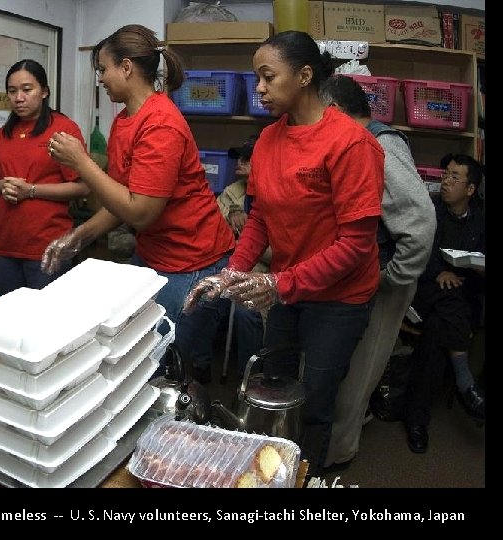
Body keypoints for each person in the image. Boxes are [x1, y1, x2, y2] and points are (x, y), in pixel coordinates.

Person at [184, 30, 384, 477]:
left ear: (305, 76)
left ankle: (305, 479)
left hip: (340, 297)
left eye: (268, 77)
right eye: (257, 78)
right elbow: (259, 220)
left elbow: (355, 245)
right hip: (290, 288)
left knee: (313, 397)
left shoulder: (351, 144)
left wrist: (277, 282)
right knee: (273, 383)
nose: (259, 88)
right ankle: (270, 474)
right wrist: (230, 273)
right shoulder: (270, 141)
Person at [41, 24, 236, 383]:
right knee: (140, 353)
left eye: (103, 69)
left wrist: (82, 162)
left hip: (193, 260)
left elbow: (142, 213)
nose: (100, 78)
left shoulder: (161, 124)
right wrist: (79, 236)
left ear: (126, 67)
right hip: (155, 255)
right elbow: (123, 197)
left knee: (165, 364)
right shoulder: (124, 121)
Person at [318, 74, 437, 469]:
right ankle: (350, 428)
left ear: (333, 110)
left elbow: (419, 221)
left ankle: (337, 456)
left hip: (386, 276)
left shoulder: (380, 143)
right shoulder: (357, 142)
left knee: (357, 375)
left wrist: (393, 277)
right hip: (369, 270)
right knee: (352, 366)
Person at [0, 59, 90, 295]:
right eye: (12, 91)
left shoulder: (63, 129)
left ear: (44, 92)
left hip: (48, 247)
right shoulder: (3, 134)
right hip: (6, 247)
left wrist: (30, 190)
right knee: (5, 319)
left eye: (27, 89)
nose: (18, 97)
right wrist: (3, 185)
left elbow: (83, 188)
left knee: (46, 321)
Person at [402, 153, 485, 454]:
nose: (446, 182)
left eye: (454, 177)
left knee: (438, 327)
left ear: (471, 189)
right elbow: (413, 256)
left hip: (457, 304)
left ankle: (416, 420)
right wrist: (441, 271)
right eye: (445, 175)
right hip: (426, 292)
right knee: (447, 297)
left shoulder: (480, 220)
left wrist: (478, 268)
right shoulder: (429, 211)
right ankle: (466, 384)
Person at [217, 135, 271, 377]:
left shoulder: (275, 192)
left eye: (247, 158)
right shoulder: (233, 193)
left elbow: (281, 251)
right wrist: (232, 216)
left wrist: (249, 237)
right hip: (238, 266)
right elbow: (215, 229)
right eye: (239, 156)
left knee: (246, 310)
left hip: (273, 273)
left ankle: (251, 378)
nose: (240, 161)